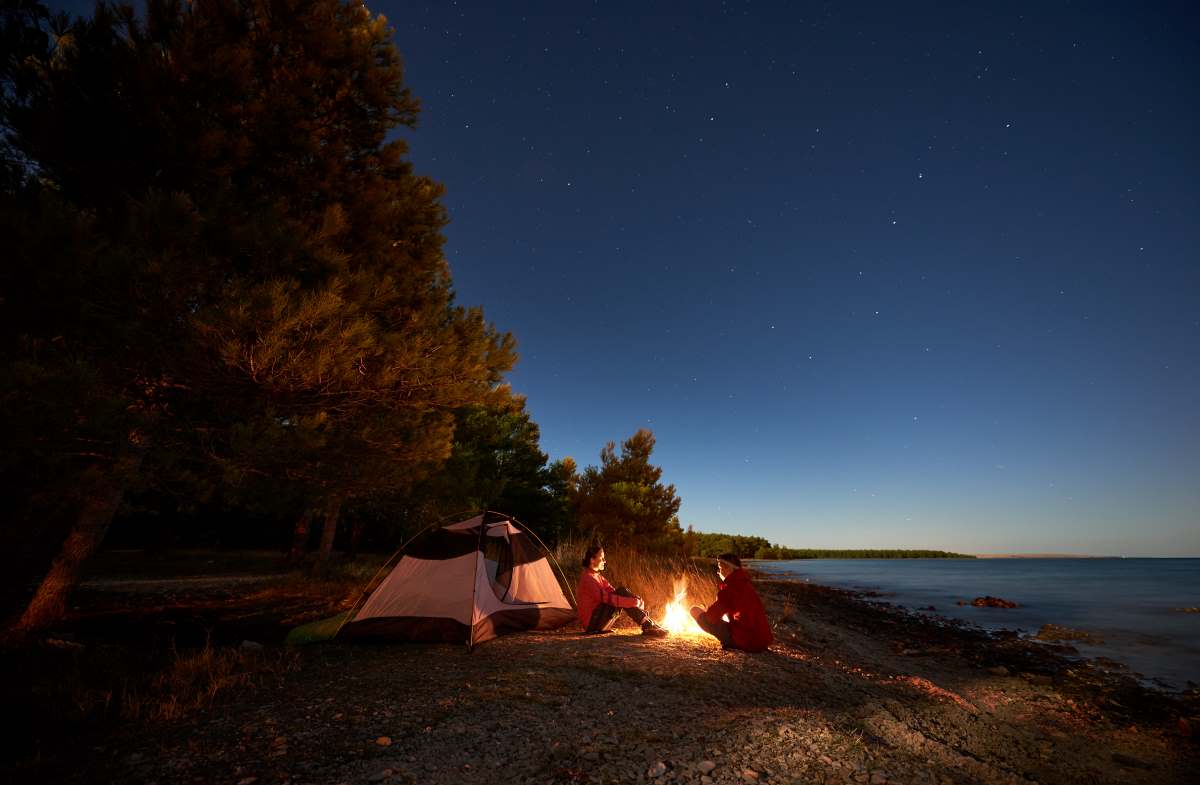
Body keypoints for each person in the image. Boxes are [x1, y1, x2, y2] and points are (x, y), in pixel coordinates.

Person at [576, 545, 668, 637]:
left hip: (598, 622)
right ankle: (647, 625)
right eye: (602, 558)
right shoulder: (588, 578)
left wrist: (635, 599)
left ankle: (648, 623)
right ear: (592, 560)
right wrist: (633, 602)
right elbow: (607, 598)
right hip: (592, 625)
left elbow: (613, 591)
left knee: (621, 591)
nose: (605, 561)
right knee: (621, 593)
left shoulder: (597, 576)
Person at [690, 553, 772, 652]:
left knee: (694, 610)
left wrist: (705, 613)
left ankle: (733, 643)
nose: (718, 572)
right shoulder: (745, 584)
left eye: (720, 568)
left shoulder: (730, 588)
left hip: (745, 641)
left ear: (728, 568)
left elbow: (710, 618)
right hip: (762, 641)